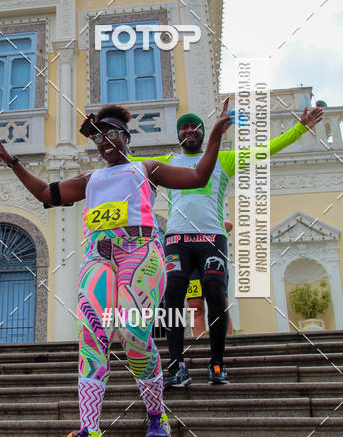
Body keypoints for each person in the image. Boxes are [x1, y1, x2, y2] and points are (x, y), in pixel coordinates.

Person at [0, 100, 233, 437]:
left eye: (110, 134)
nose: (103, 142)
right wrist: (12, 161)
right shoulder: (91, 180)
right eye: (98, 137)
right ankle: (91, 433)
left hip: (141, 252)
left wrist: (214, 136)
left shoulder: (146, 169)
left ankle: (155, 412)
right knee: (92, 336)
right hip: (98, 255)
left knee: (134, 335)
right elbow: (46, 194)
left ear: (126, 137)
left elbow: (198, 177)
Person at [129, 104, 323, 386]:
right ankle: (176, 367)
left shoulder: (225, 158)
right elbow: (128, 160)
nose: (189, 130)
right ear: (179, 135)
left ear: (205, 133)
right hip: (175, 241)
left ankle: (217, 364)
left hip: (211, 239)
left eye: (195, 126)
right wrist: (100, 135)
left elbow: (267, 149)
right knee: (172, 300)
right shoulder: (167, 161)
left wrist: (300, 127)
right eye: (184, 127)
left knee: (216, 299)